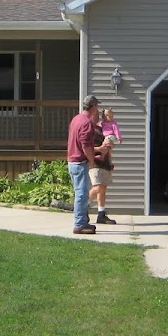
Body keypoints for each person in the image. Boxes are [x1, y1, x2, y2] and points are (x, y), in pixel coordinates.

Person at [67, 95, 101, 234]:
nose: (97, 109)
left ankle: (83, 221)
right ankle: (80, 224)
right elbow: (85, 145)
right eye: (96, 106)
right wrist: (91, 160)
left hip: (72, 161)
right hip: (80, 162)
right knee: (81, 194)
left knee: (82, 193)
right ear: (92, 107)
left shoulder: (76, 119)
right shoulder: (86, 123)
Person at [90, 118, 118, 225]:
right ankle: (81, 206)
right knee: (98, 187)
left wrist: (110, 160)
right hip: (94, 162)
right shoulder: (90, 130)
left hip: (105, 162)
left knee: (103, 188)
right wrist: (99, 149)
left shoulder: (105, 131)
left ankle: (101, 214)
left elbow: (108, 148)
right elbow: (85, 147)